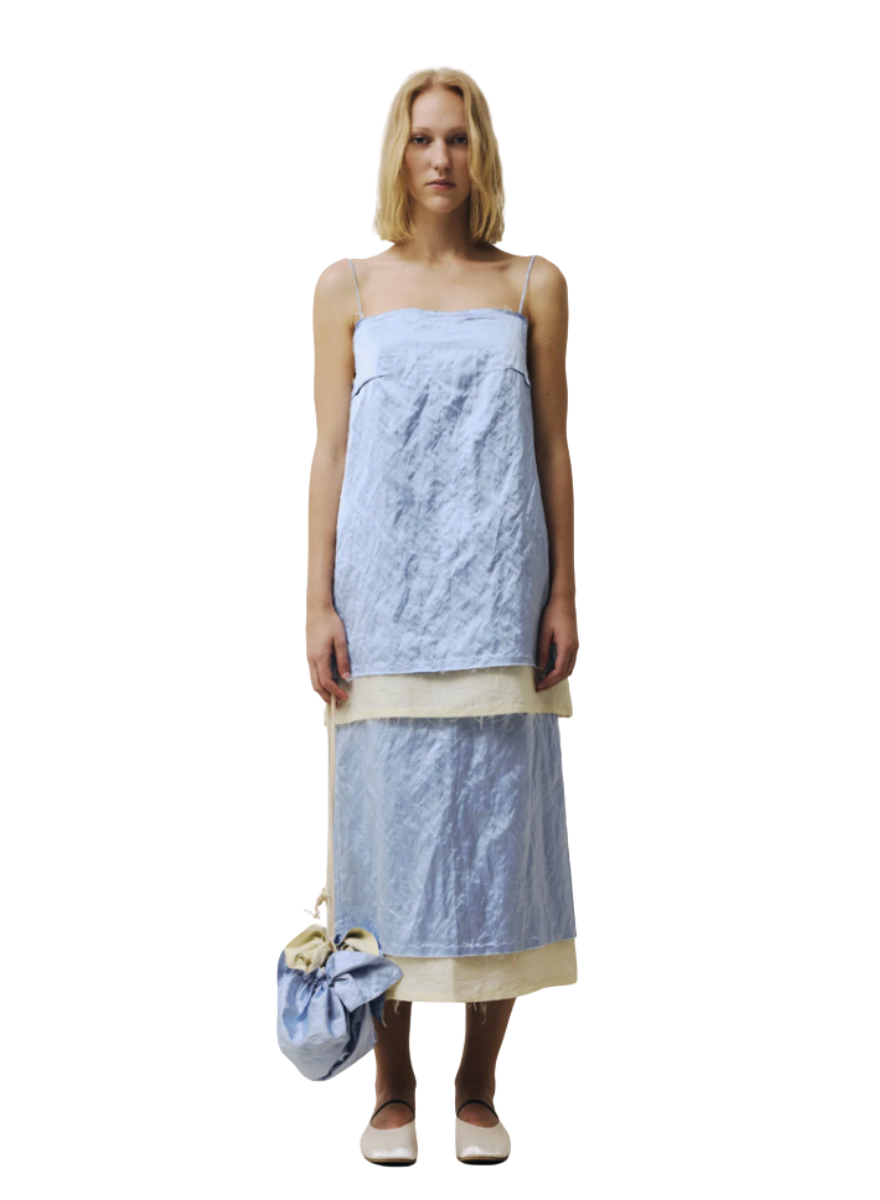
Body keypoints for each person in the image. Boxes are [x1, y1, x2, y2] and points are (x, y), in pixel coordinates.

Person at [306, 66, 578, 1166]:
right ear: (397, 151)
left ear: (481, 154)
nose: (439, 159)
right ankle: (391, 1087)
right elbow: (331, 453)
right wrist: (317, 600)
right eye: (422, 138)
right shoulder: (346, 288)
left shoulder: (533, 285)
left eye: (457, 139)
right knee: (383, 838)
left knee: (498, 833)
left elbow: (553, 446)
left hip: (499, 594)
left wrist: (562, 589)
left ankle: (477, 1084)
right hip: (383, 603)